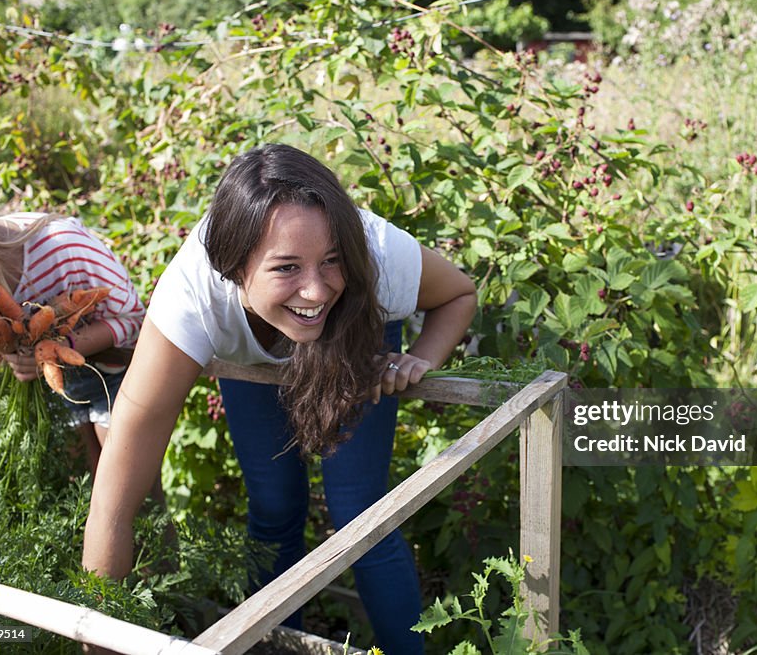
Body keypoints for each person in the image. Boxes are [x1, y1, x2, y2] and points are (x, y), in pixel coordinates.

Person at [83, 144, 477, 654]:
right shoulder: (191, 300)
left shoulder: (375, 250)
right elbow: (112, 506)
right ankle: (267, 646)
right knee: (272, 507)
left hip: (353, 343)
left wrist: (417, 357)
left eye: (330, 260)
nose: (314, 290)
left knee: (362, 519)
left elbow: (459, 294)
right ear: (232, 269)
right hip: (252, 357)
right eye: (287, 267)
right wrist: (96, 643)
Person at [0, 165, 147, 562]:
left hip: (113, 368)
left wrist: (59, 343)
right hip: (52, 387)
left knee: (130, 501)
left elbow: (135, 318)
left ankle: (163, 609)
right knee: (78, 495)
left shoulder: (61, 246)